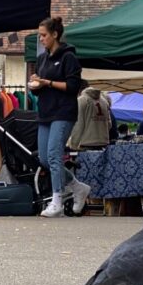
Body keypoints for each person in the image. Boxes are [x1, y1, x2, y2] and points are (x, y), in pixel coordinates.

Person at [30, 16, 92, 218]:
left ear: (55, 35)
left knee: (55, 155)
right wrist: (37, 84)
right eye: (39, 36)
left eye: (44, 35)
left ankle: (56, 199)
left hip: (64, 112)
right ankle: (77, 186)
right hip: (46, 112)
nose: (41, 39)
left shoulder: (68, 58)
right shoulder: (42, 59)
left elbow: (73, 86)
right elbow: (40, 90)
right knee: (44, 159)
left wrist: (47, 82)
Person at [68, 81, 112, 151]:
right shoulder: (104, 101)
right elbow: (109, 124)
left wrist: (73, 145)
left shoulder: (81, 100)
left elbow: (78, 125)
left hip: (86, 144)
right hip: (104, 143)